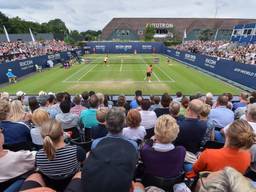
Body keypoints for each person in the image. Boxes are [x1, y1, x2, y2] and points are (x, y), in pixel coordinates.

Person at [187, 120, 255, 178]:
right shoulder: (247, 156)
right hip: (230, 186)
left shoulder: (208, 154)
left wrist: (200, 158)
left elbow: (195, 170)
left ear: (227, 134)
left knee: (187, 165)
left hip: (208, 185)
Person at [35, 119, 85, 191]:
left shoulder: (38, 155)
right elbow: (83, 163)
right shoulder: (76, 150)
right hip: (74, 183)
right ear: (62, 133)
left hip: (51, 186)